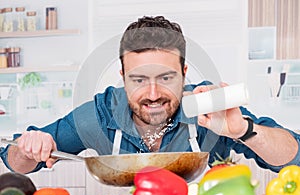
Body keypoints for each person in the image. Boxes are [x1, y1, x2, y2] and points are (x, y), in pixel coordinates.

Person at [0, 16, 299, 175]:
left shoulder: (209, 109)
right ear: (123, 77)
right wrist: (29, 146)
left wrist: (244, 130)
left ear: (184, 73)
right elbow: (16, 162)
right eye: (139, 79)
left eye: (166, 78)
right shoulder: (99, 114)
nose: (153, 94)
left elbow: (293, 158)